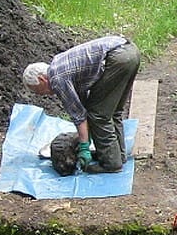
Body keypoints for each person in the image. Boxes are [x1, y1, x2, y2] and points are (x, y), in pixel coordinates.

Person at [23, 35, 140, 173]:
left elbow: (79, 116)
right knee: (112, 111)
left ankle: (111, 164)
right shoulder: (59, 65)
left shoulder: (57, 80)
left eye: (38, 91)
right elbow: (83, 105)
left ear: (42, 79)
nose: (43, 95)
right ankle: (117, 156)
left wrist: (84, 147)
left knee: (98, 114)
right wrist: (87, 136)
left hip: (117, 59)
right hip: (130, 51)